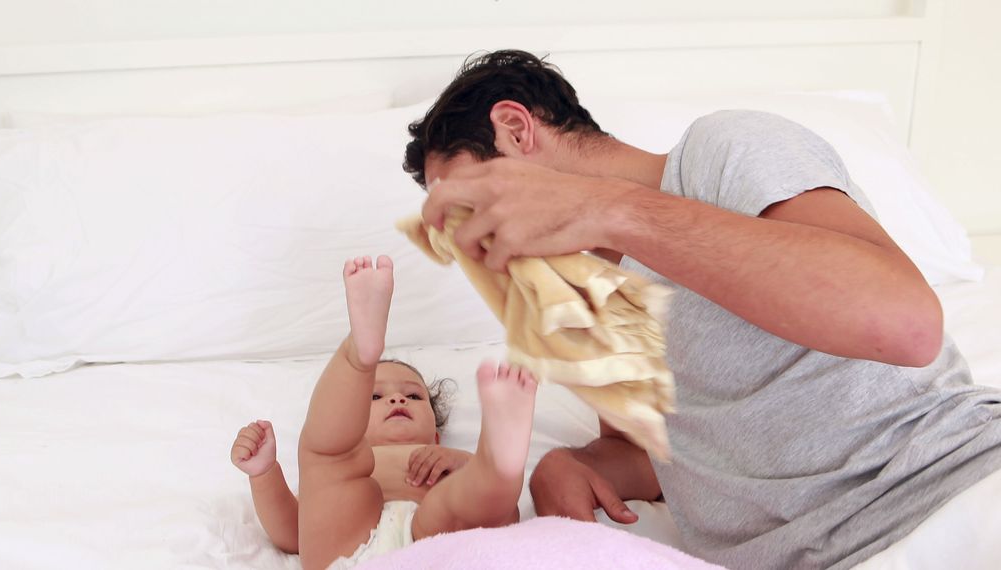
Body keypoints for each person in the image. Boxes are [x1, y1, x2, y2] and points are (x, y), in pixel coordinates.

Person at [402, 50, 1001, 569]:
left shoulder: (720, 152)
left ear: (514, 128)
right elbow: (678, 457)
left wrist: (615, 210)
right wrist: (576, 463)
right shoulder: (594, 299)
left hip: (951, 496)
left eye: (468, 202)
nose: (472, 241)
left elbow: (907, 323)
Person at [229, 254, 537, 570]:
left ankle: (500, 460)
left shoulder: (448, 460)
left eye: (414, 396)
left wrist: (465, 463)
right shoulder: (348, 465)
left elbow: (501, 516)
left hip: (439, 544)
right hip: (350, 549)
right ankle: (358, 354)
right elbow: (293, 534)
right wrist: (265, 473)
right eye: (375, 396)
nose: (397, 401)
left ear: (435, 434)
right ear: (353, 421)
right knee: (327, 459)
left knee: (464, 499)